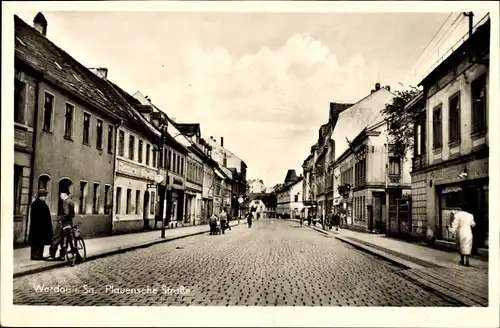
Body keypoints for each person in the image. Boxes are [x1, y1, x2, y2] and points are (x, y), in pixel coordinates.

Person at [48, 191, 75, 260]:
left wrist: (59, 218)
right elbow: (73, 214)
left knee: (56, 238)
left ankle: (52, 255)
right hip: (69, 223)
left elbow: (66, 213)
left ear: (64, 194)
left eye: (61, 194)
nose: (60, 196)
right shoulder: (71, 201)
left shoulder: (65, 202)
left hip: (62, 224)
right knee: (64, 240)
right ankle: (62, 256)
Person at [28, 189, 53, 260]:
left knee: (41, 241)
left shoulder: (43, 204)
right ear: (40, 196)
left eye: (45, 195)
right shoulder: (35, 204)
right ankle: (34, 256)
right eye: (44, 196)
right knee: (36, 241)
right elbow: (36, 217)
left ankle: (40, 255)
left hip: (42, 227)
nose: (45, 197)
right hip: (37, 227)